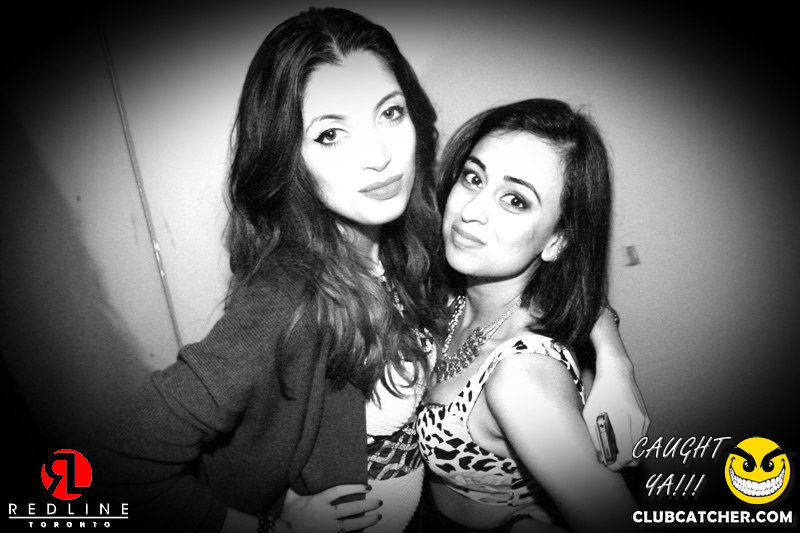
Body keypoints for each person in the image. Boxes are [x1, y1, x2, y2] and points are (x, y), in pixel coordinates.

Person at [87, 9, 645, 533]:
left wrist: (615, 366)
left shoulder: (425, 236)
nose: (378, 155)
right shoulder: (284, 298)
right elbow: (113, 464)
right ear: (289, 158)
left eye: (389, 113)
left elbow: (550, 281)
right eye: (331, 134)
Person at [416, 99, 640, 532]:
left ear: (556, 241)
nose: (471, 211)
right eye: (473, 177)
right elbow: (584, 300)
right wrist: (616, 362)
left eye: (515, 200)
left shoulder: (522, 375)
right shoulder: (445, 294)